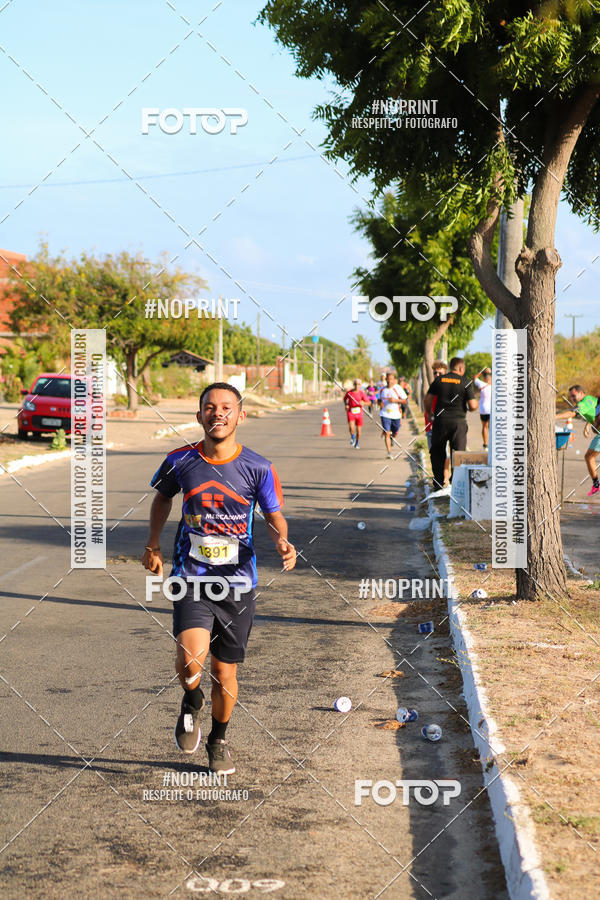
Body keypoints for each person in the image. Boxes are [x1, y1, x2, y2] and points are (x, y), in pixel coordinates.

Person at [141, 382, 296, 773]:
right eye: (210, 407)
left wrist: (282, 541)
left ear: (241, 416)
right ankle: (191, 701)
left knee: (224, 673)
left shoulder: (258, 467)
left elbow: (274, 513)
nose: (218, 413)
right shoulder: (180, 460)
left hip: (238, 583)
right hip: (191, 577)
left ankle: (218, 738)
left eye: (227, 407)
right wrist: (153, 544)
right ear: (199, 416)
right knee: (191, 661)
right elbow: (162, 497)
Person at [425, 357, 478, 491]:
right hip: (458, 423)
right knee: (458, 454)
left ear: (451, 367)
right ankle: (456, 486)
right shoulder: (465, 382)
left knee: (437, 452)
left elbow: (427, 399)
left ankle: (438, 483)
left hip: (440, 422)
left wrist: (430, 414)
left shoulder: (439, 380)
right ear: (461, 368)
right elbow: (472, 405)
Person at [556, 384, 600, 495]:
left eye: (574, 396)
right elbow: (594, 410)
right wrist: (588, 425)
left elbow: (572, 413)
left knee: (589, 457)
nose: (572, 399)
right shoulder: (591, 399)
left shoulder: (582, 403)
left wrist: (554, 416)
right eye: (571, 397)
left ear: (581, 393)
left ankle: (596, 484)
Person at [424, 361, 451, 486]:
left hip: (443, 427)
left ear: (445, 373)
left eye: (440, 373)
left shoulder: (448, 389)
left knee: (445, 454)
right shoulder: (432, 388)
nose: (437, 375)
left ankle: (445, 477)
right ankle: (438, 477)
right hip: (430, 427)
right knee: (434, 454)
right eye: (435, 373)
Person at [378, 372, 407, 458]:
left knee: (395, 432)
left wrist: (395, 400)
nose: (390, 381)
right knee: (387, 432)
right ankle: (389, 453)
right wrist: (380, 403)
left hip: (396, 415)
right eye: (388, 379)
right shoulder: (382, 390)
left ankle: (392, 437)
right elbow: (379, 401)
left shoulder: (397, 388)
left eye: (391, 379)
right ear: (386, 379)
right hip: (385, 414)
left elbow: (405, 401)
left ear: (394, 380)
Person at [343, 379, 369, 448]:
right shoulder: (349, 393)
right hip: (351, 412)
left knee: (359, 431)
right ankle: (352, 436)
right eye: (355, 384)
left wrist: (364, 403)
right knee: (351, 427)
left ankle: (357, 443)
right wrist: (346, 405)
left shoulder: (362, 393)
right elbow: (344, 399)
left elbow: (369, 403)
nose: (357, 386)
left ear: (360, 385)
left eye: (358, 384)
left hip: (359, 413)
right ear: (354, 385)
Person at [474, 367, 492, 450]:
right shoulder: (494, 386)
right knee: (491, 427)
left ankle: (485, 444)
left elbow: (474, 378)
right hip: (491, 410)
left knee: (484, 427)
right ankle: (492, 443)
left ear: (484, 378)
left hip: (483, 409)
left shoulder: (481, 384)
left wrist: (482, 371)